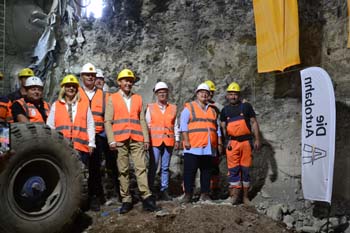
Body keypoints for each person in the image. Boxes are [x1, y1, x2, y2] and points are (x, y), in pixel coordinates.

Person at [105, 68, 158, 214]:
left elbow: (141, 119)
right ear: (119, 82)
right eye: (125, 80)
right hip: (120, 140)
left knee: (141, 168)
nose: (128, 83)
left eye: (130, 80)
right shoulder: (112, 98)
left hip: (136, 139)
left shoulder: (138, 98)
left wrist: (146, 138)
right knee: (123, 171)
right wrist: (111, 140)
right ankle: (126, 199)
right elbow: (108, 121)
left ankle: (146, 198)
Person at [46, 74, 95, 196]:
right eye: (68, 86)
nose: (71, 88)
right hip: (62, 147)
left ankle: (81, 202)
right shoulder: (56, 106)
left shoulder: (84, 105)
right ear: (63, 88)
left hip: (81, 147)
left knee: (82, 176)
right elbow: (50, 127)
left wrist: (91, 143)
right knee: (63, 176)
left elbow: (90, 125)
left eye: (73, 86)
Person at [180, 83, 223, 203]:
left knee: (206, 172)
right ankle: (188, 195)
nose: (204, 94)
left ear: (209, 95)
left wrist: (219, 143)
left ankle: (205, 194)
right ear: (197, 94)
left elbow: (217, 128)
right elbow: (183, 126)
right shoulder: (189, 108)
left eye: (206, 93)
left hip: (209, 147)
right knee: (190, 172)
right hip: (193, 146)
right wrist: (186, 141)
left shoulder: (213, 110)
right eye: (201, 92)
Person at [220, 82, 261, 205]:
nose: (233, 96)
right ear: (227, 96)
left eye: (235, 94)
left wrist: (257, 139)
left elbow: (254, 123)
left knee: (245, 170)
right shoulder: (224, 111)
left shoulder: (246, 107)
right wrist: (223, 143)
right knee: (233, 170)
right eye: (231, 94)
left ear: (239, 95)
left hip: (246, 143)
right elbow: (222, 128)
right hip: (232, 143)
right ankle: (234, 197)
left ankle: (245, 198)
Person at [79, 63, 112, 211]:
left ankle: (95, 196)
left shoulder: (103, 95)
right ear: (82, 77)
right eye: (88, 75)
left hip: (99, 135)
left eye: (93, 75)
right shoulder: (77, 93)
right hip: (81, 135)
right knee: (80, 168)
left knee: (95, 167)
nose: (91, 77)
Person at [146, 81, 180, 201]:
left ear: (167, 94)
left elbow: (175, 125)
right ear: (156, 94)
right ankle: (149, 190)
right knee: (153, 166)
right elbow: (148, 125)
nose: (162, 94)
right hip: (155, 142)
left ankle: (164, 190)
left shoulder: (173, 108)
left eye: (164, 92)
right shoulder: (150, 108)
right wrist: (147, 140)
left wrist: (177, 139)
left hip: (168, 141)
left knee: (165, 167)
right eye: (160, 92)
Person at [204, 80, 223, 199]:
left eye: (211, 92)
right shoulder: (196, 106)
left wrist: (221, 142)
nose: (209, 95)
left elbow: (220, 125)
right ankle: (204, 190)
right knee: (203, 167)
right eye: (208, 92)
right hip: (200, 141)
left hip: (214, 141)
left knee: (214, 167)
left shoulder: (217, 107)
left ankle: (214, 190)